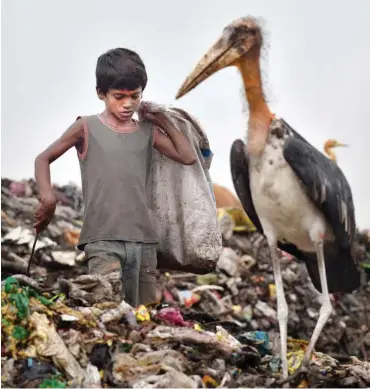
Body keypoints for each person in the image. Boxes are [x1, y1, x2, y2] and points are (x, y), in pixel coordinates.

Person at [33, 48, 197, 307]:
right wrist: (48, 198)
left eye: (135, 96)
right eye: (119, 97)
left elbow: (187, 156)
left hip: (144, 241)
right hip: (102, 239)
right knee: (106, 309)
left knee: (144, 316)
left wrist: (162, 121)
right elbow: (43, 158)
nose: (128, 104)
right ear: (101, 93)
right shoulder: (86, 127)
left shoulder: (147, 131)